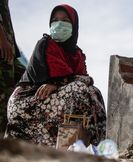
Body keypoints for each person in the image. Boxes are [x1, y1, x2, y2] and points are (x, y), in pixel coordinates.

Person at [4, 4, 106, 147]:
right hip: (28, 100)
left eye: (65, 20)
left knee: (94, 93)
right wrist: (57, 83)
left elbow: (85, 80)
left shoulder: (77, 54)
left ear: (74, 26)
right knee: (78, 89)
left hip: (53, 100)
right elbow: (74, 80)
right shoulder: (45, 44)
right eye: (55, 20)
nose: (59, 24)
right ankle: (69, 145)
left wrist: (58, 84)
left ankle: (93, 147)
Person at [0, 0, 26, 136]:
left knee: (27, 80)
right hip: (2, 49)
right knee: (5, 95)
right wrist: (2, 39)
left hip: (10, 53)